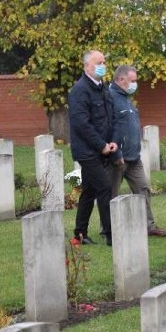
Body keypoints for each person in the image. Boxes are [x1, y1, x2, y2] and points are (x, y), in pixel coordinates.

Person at [108, 64, 166, 238]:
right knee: (112, 195)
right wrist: (116, 153)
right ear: (121, 79)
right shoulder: (109, 98)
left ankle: (148, 226)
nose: (135, 84)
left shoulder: (126, 99)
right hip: (117, 158)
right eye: (133, 81)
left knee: (143, 189)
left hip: (134, 157)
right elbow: (107, 128)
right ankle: (109, 229)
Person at [68, 50, 118, 246]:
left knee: (89, 190)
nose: (103, 65)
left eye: (104, 62)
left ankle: (79, 233)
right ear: (87, 66)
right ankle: (110, 234)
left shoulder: (103, 88)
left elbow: (109, 117)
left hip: (103, 148)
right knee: (104, 187)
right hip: (87, 151)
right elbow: (82, 124)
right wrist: (101, 145)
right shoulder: (80, 90)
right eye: (99, 62)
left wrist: (112, 142)